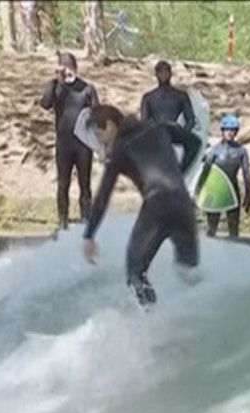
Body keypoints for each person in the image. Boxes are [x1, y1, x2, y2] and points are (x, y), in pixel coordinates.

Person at [81, 105, 203, 307]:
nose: (100, 141)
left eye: (98, 133)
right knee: (188, 271)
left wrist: (89, 235)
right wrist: (178, 176)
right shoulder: (159, 127)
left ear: (111, 126)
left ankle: (151, 321)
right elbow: (195, 143)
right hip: (183, 205)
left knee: (135, 272)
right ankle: (197, 316)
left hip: (157, 207)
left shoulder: (120, 149)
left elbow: (103, 195)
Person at [39, 51, 99, 230]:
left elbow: (97, 113)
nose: (67, 72)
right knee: (63, 183)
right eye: (64, 68)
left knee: (85, 185)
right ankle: (63, 220)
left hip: (83, 144)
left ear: (75, 68)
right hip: (64, 144)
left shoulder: (87, 88)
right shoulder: (56, 87)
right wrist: (55, 80)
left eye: (70, 68)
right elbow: (45, 104)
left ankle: (86, 221)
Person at [199, 114, 250, 238]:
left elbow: (246, 173)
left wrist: (248, 195)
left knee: (233, 228)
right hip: (215, 191)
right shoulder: (214, 151)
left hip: (233, 191)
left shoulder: (241, 151)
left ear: (236, 132)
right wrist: (200, 194)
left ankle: (234, 255)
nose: (230, 133)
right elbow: (205, 173)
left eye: (233, 130)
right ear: (222, 131)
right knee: (212, 227)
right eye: (227, 130)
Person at [139, 60, 196, 131]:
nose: (163, 75)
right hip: (156, 134)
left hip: (174, 132)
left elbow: (191, 120)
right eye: (160, 72)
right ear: (156, 74)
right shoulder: (148, 98)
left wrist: (182, 134)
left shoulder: (181, 95)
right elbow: (144, 122)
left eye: (166, 71)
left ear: (170, 74)